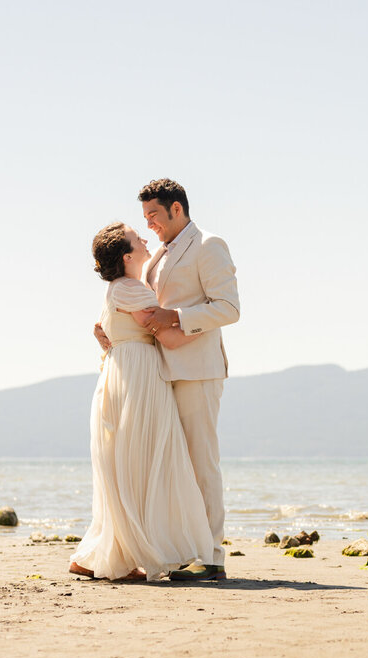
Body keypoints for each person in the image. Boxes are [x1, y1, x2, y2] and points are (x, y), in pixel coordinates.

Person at [94, 179, 240, 581]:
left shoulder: (209, 245)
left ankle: (211, 556)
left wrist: (175, 318)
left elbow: (228, 308)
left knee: (200, 462)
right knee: (169, 466)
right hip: (157, 376)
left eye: (154, 215)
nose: (150, 224)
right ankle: (178, 548)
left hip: (196, 369)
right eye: (144, 218)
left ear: (177, 209)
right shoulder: (156, 255)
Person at [70, 222, 215, 581]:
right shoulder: (131, 290)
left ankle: (106, 553)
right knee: (142, 461)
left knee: (129, 463)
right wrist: (211, 320)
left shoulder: (123, 290)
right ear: (127, 255)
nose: (145, 239)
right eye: (138, 238)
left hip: (127, 374)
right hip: (138, 379)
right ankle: (128, 553)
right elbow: (167, 336)